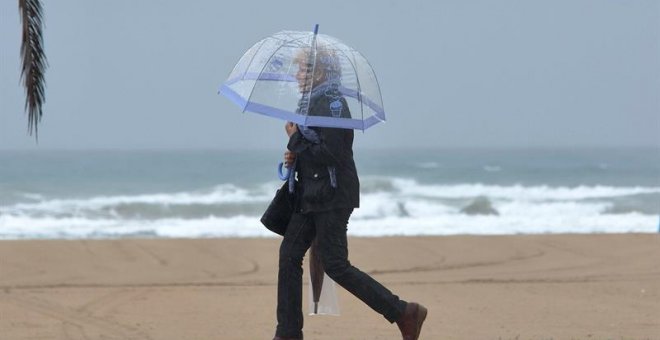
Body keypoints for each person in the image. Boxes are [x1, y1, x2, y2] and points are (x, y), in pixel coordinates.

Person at [273, 47, 427, 340]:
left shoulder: (333, 104)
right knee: (289, 255)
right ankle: (288, 332)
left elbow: (334, 153)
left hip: (331, 196)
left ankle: (404, 312)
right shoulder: (309, 103)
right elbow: (313, 149)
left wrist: (296, 140)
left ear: (319, 72)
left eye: (303, 69)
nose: (297, 75)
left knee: (335, 265)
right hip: (309, 195)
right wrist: (294, 154)